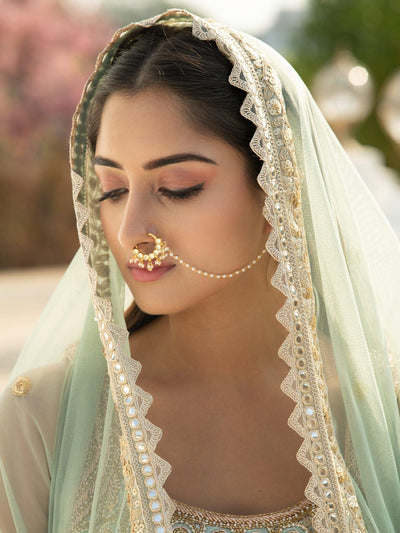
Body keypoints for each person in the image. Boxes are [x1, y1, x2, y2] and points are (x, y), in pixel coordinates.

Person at [1, 8, 400, 533]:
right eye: (113, 191)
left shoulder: (383, 410)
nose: (129, 231)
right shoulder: (43, 420)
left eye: (178, 187)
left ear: (281, 191)